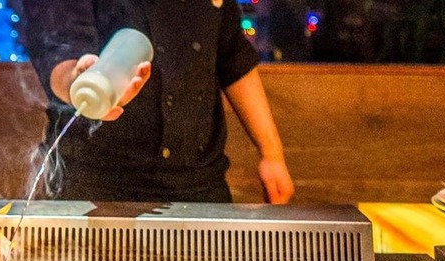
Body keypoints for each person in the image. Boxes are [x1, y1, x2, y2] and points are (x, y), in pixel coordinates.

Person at [21, 0, 294, 204]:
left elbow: (233, 58)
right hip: (96, 188)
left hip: (200, 187)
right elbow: (58, 48)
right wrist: (78, 81)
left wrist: (272, 154)